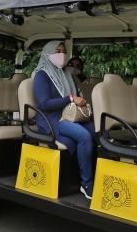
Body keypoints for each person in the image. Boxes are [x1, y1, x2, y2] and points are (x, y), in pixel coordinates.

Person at [33, 41, 96, 199]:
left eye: (63, 51)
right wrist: (70, 98)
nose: (61, 54)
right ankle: (87, 183)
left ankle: (104, 176)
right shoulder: (42, 75)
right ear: (47, 54)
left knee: (100, 131)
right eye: (57, 51)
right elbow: (44, 104)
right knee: (84, 136)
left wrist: (78, 101)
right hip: (52, 119)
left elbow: (76, 82)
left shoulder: (66, 73)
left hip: (70, 115)